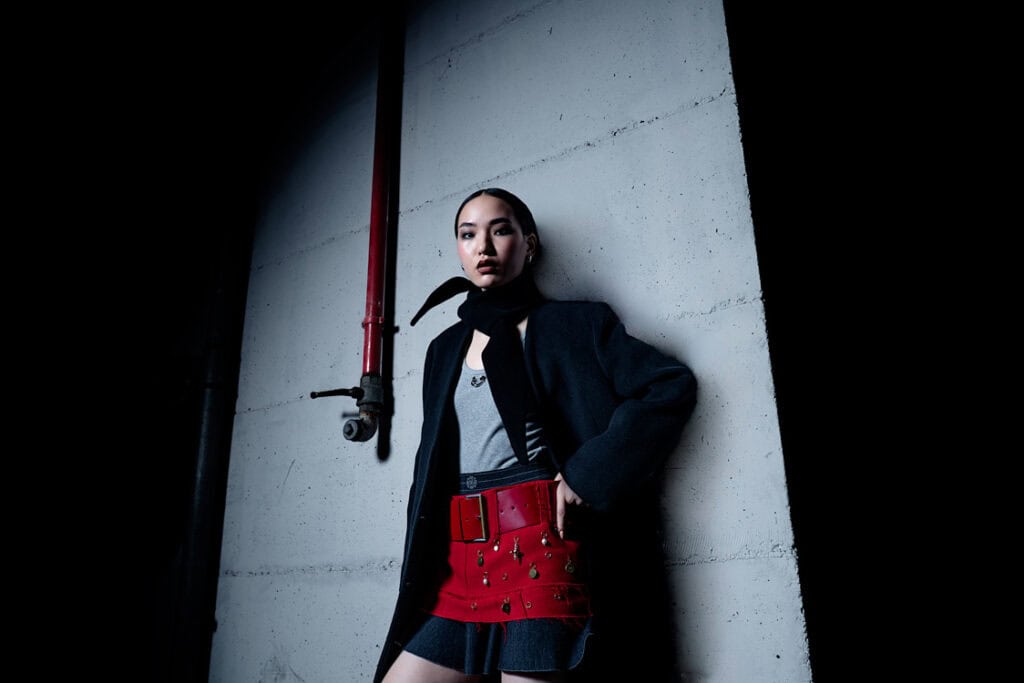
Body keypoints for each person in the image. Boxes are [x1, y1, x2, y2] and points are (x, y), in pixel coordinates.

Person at [376, 188, 697, 682]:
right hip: (459, 560)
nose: (483, 245)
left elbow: (668, 386)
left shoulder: (576, 325)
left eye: (500, 230)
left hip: (543, 550)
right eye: (468, 234)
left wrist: (588, 474)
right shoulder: (444, 349)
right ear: (459, 250)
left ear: (529, 244)